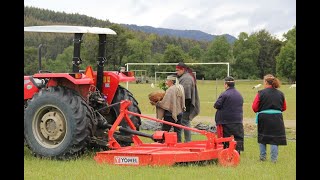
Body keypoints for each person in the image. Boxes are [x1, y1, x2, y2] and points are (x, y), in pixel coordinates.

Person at [252, 74, 287, 163]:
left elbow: (255, 107)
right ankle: (273, 160)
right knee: (274, 139)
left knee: (263, 138)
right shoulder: (280, 93)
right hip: (277, 118)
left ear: (266, 82)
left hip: (264, 118)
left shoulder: (261, 93)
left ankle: (262, 158)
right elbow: (284, 107)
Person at [213, 76, 244, 155]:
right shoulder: (239, 94)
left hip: (225, 121)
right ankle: (237, 152)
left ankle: (226, 153)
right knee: (237, 137)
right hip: (238, 120)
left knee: (226, 138)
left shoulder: (224, 94)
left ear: (226, 84)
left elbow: (217, 105)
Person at [150, 75, 185, 143]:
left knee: (165, 130)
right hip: (180, 113)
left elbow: (165, 103)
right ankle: (179, 144)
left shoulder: (170, 90)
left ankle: (161, 143)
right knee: (178, 130)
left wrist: (156, 103)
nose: (166, 82)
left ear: (171, 81)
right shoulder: (180, 87)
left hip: (170, 114)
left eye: (167, 81)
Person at [175, 62, 200, 142]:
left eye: (178, 70)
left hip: (186, 104)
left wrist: (180, 105)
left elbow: (185, 95)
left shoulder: (187, 78)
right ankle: (186, 141)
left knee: (185, 123)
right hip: (185, 104)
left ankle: (188, 141)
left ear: (183, 69)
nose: (176, 72)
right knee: (184, 122)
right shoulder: (186, 76)